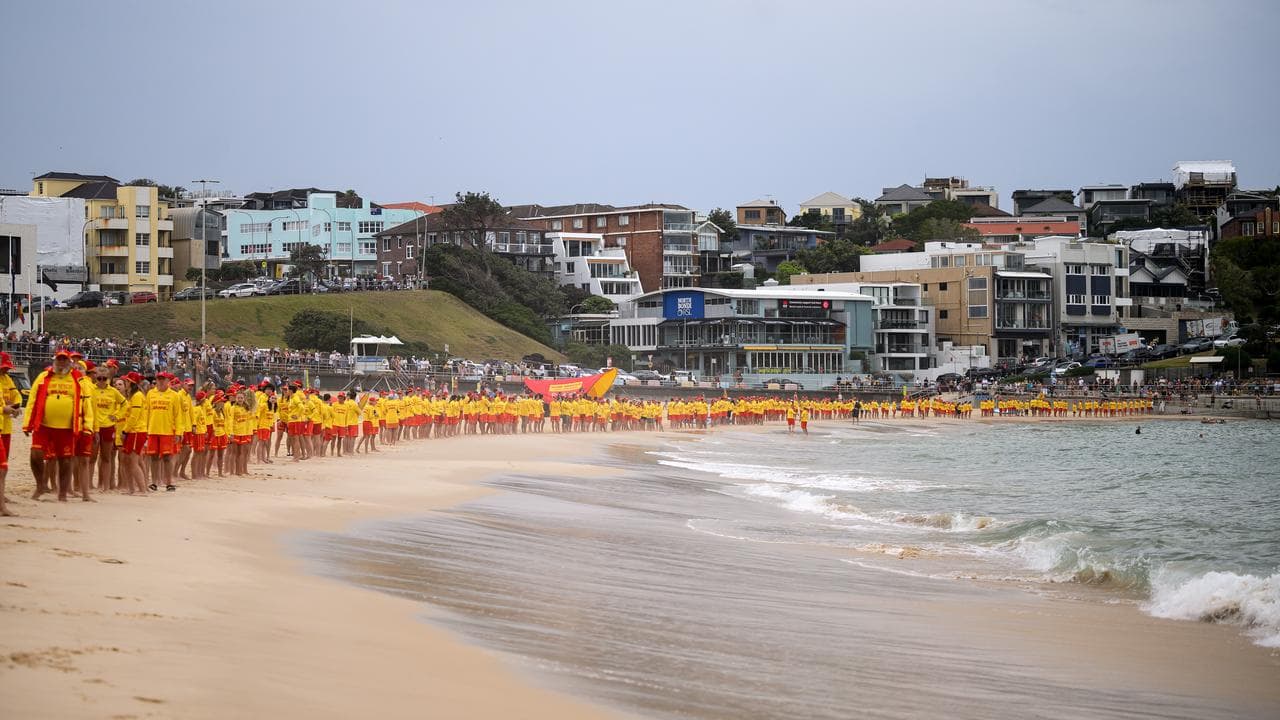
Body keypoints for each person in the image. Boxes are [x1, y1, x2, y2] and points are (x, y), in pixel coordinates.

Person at [24, 348, 92, 501]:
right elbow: (32, 399)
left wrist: (87, 425)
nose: (61, 362)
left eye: (64, 359)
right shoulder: (44, 376)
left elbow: (86, 402)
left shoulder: (77, 378)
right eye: (59, 359)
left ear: (69, 362)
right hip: (43, 425)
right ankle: (40, 485)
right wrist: (27, 423)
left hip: (67, 427)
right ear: (54, 360)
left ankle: (62, 494)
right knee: (35, 454)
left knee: (65, 460)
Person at [145, 372, 181, 491]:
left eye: (163, 379)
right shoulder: (151, 393)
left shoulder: (174, 395)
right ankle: (154, 482)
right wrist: (145, 429)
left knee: (167, 458)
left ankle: (169, 482)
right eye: (158, 379)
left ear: (168, 381)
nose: (160, 381)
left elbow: (178, 415)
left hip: (168, 431)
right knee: (154, 457)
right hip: (153, 430)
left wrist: (178, 432)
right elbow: (147, 412)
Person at [0, 352, 23, 515]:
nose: (5, 371)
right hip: (2, 421)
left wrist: (14, 407)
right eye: (3, 368)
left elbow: (16, 396)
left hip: (5, 425)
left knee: (4, 465)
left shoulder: (7, 379)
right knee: (2, 466)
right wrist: (4, 408)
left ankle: (2, 497)